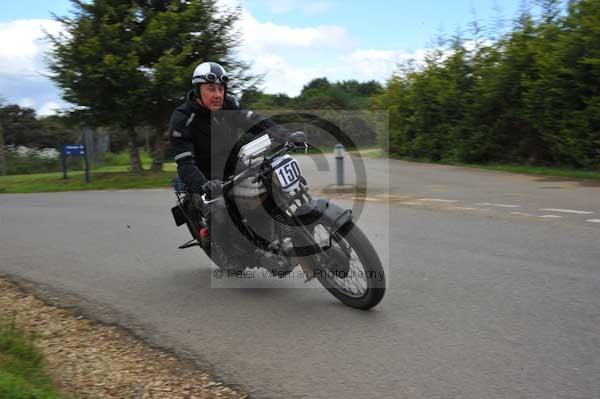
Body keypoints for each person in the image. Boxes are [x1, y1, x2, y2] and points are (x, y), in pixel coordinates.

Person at [168, 61, 305, 267]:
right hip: (204, 177)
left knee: (271, 184)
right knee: (220, 210)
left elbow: (255, 122)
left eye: (221, 89)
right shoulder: (182, 118)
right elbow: (185, 162)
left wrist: (286, 135)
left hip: (235, 166)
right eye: (211, 89)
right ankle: (230, 253)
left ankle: (278, 233)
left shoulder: (229, 105)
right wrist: (203, 184)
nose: (217, 95)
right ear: (198, 90)